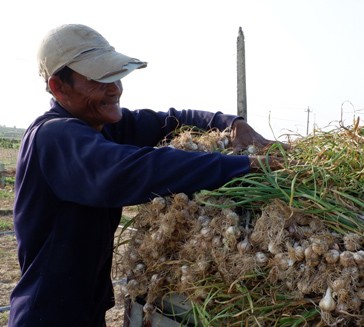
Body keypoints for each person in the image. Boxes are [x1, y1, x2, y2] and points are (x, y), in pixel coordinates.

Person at [9, 24, 282, 327]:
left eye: (115, 76)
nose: (115, 88)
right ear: (59, 87)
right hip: (47, 317)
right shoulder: (54, 137)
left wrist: (231, 124)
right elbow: (137, 170)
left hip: (82, 311)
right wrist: (246, 166)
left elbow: (173, 120)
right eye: (99, 79)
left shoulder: (101, 125)